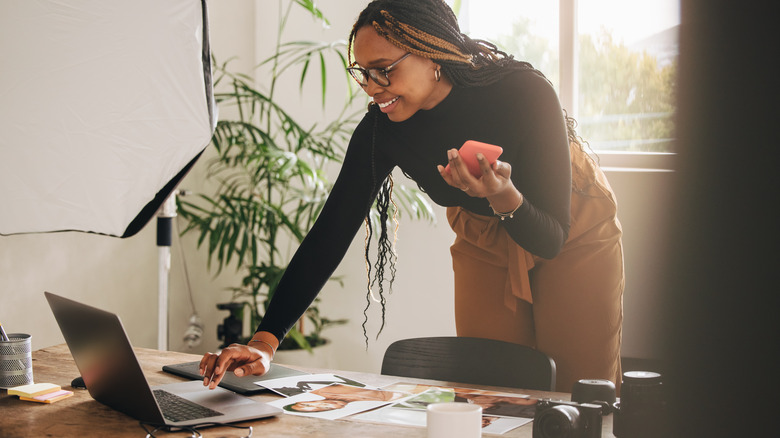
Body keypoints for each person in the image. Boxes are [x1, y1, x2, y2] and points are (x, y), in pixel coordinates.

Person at [200, 0, 624, 394]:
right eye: (363, 72)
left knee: (580, 393)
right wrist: (265, 341)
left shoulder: (523, 93)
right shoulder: (382, 131)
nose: (371, 86)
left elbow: (551, 238)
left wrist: (505, 196)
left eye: (384, 69)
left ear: (432, 53)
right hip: (482, 230)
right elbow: (332, 230)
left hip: (570, 224)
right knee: (491, 393)